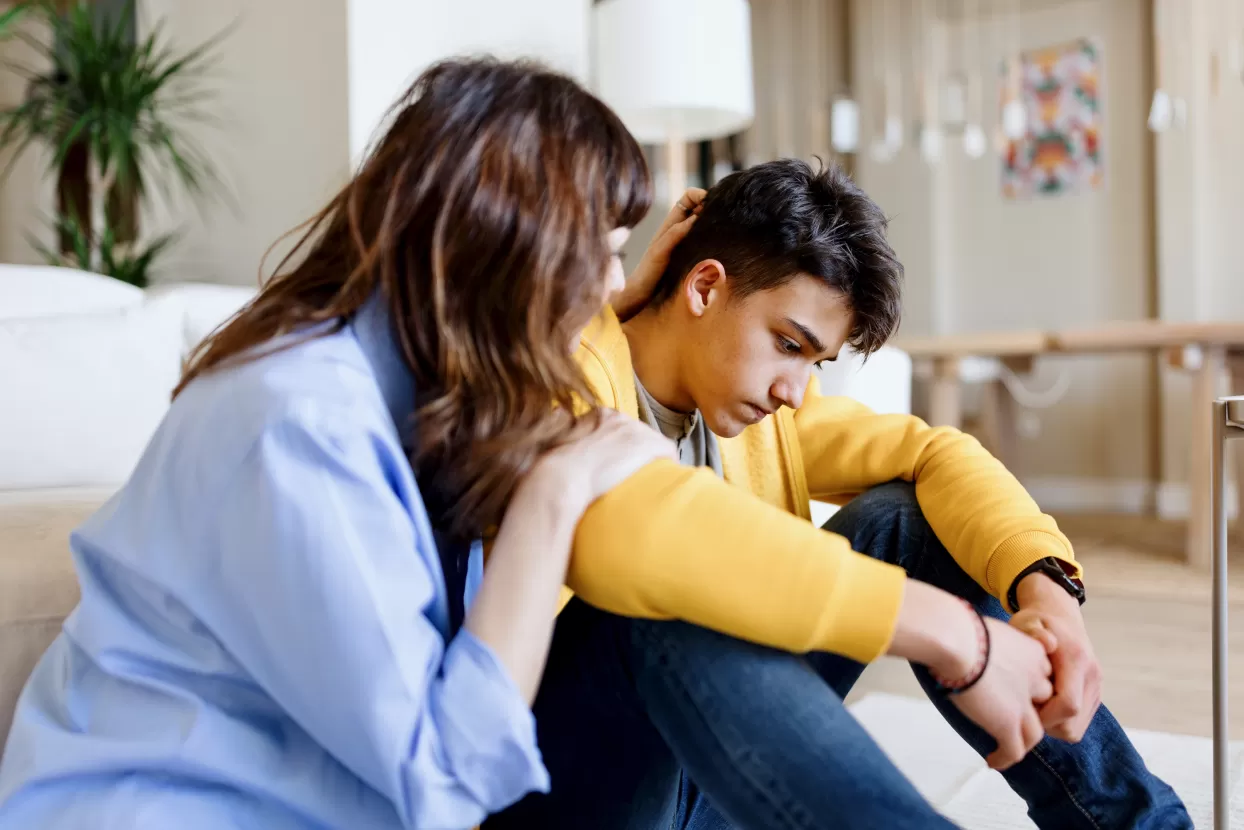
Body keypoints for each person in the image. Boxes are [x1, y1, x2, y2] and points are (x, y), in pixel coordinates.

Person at [0, 58, 680, 829]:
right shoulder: (298, 422)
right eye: (599, 248)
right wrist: (553, 498)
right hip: (172, 808)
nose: (609, 285)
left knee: (669, 623)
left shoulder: (427, 395)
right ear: (505, 245)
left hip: (326, 798)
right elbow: (444, 780)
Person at [489, 161, 1192, 829]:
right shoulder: (561, 381)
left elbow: (933, 452)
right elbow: (648, 536)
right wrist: (954, 639)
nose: (795, 389)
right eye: (788, 345)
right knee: (655, 600)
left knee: (904, 519)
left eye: (816, 360)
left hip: (715, 775)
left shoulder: (761, 412)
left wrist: (1047, 594)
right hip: (585, 790)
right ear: (703, 287)